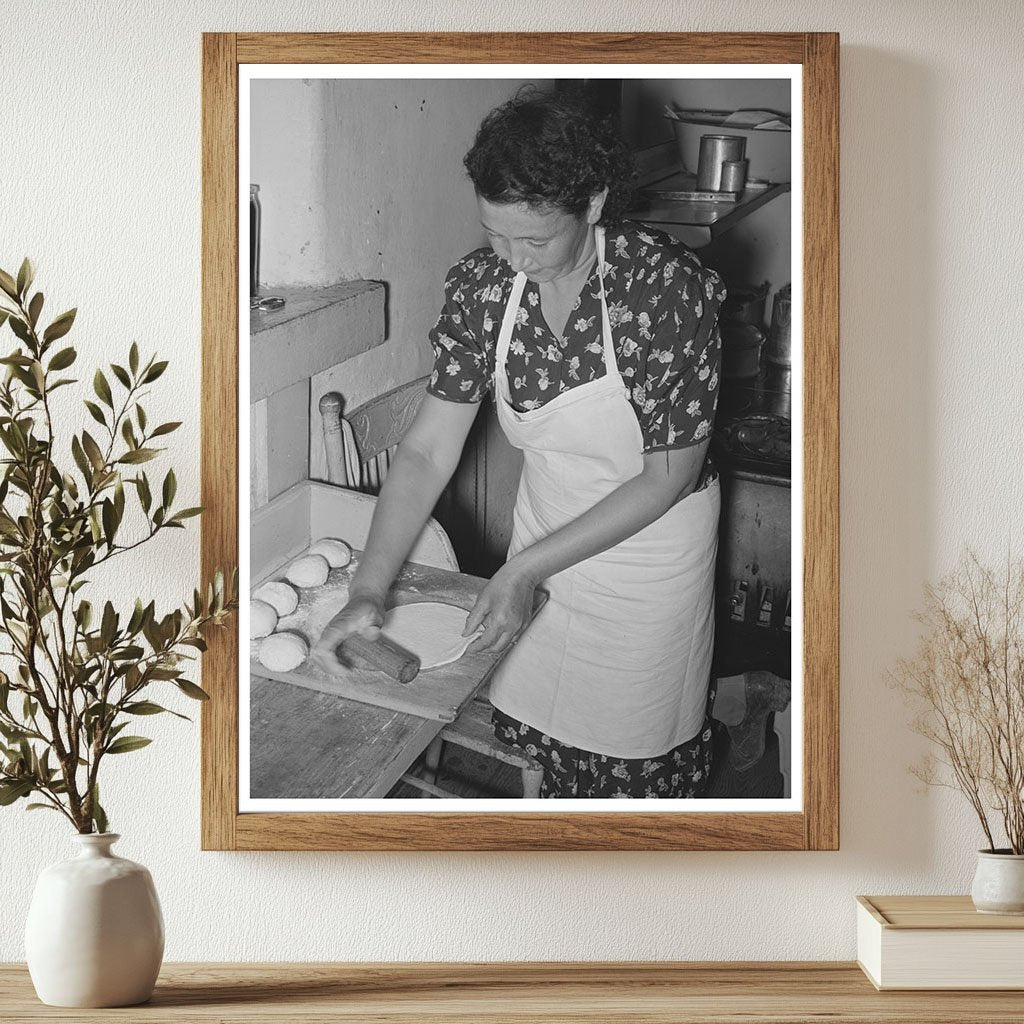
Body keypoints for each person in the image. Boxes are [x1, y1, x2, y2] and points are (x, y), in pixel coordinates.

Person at [316, 87, 726, 799]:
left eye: (535, 239)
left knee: (630, 762)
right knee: (539, 733)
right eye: (496, 234)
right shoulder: (482, 288)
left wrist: (521, 572)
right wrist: (368, 588)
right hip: (544, 530)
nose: (513, 258)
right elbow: (424, 452)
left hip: (649, 559)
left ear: (593, 202)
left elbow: (667, 477)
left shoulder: (660, 287)